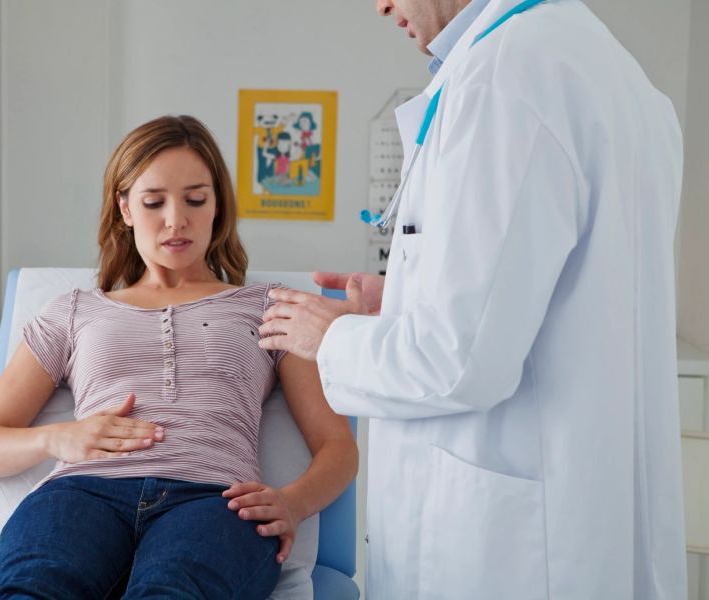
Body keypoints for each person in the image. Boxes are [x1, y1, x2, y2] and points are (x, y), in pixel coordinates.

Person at [258, 0, 686, 598]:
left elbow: (455, 360)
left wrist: (326, 338)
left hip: (513, 547)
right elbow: (548, 287)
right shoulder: (609, 69)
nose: (380, 5)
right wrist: (406, 297)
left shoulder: (506, 78)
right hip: (583, 506)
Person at [0, 115, 358, 600]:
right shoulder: (73, 312)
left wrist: (293, 504)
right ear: (124, 207)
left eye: (195, 199)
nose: (176, 220)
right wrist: (60, 439)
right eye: (153, 202)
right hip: (81, 495)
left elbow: (338, 447)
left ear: (217, 208)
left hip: (215, 503)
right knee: (38, 589)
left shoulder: (273, 308)